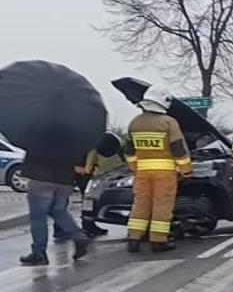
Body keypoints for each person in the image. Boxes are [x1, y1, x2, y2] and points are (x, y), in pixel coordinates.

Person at [123, 86, 190, 253]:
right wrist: (186, 169)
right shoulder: (168, 122)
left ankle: (133, 238)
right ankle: (158, 241)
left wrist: (135, 167)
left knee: (140, 204)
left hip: (142, 173)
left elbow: (129, 150)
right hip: (164, 173)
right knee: (162, 205)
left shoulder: (135, 122)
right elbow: (178, 149)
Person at [19, 151, 91, 266]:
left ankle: (39, 253)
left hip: (41, 178)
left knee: (38, 216)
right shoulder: (72, 138)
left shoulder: (39, 137)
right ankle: (79, 237)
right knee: (59, 210)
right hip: (64, 180)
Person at [75, 131, 124, 237]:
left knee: (87, 198)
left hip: (79, 166)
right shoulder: (92, 140)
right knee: (88, 198)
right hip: (79, 167)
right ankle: (87, 225)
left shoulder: (89, 136)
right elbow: (91, 152)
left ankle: (87, 225)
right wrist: (85, 167)